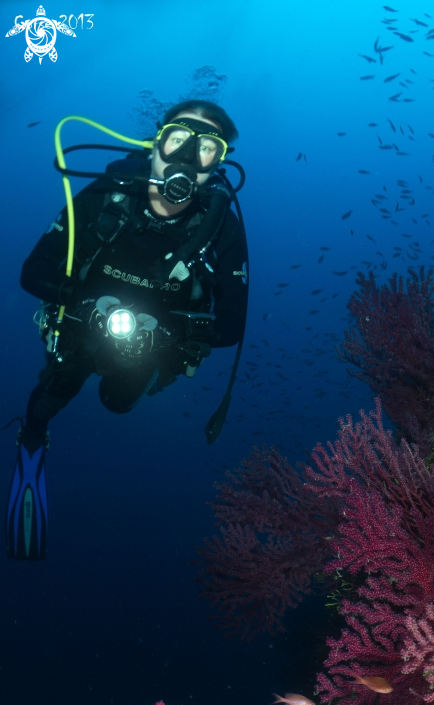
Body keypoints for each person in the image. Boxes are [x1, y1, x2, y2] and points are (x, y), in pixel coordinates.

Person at [6, 100, 249, 560]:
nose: (185, 156)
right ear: (154, 142)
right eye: (178, 138)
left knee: (117, 403)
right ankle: (33, 437)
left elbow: (232, 327)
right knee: (53, 391)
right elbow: (31, 272)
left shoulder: (221, 229)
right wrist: (84, 302)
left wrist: (169, 335)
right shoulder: (108, 193)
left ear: (217, 164)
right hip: (81, 327)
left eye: (206, 149)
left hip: (151, 348)